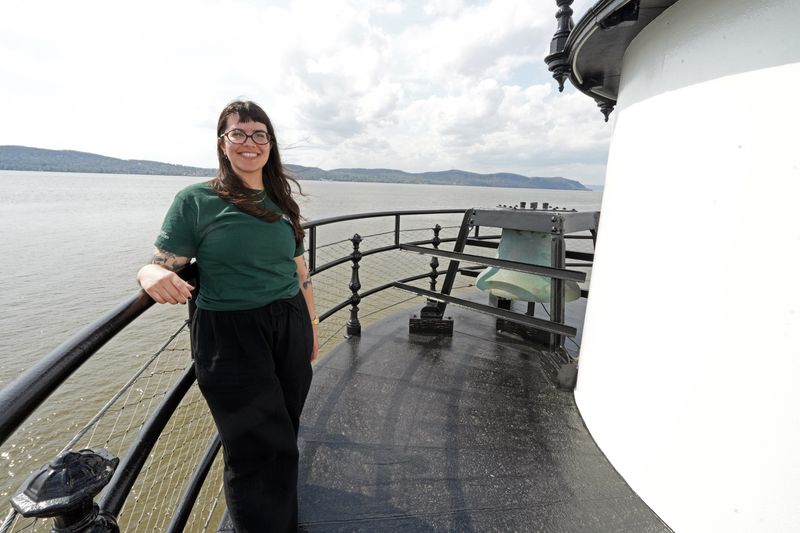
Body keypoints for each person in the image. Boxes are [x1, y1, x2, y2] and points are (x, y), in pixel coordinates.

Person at [137, 100, 318, 532]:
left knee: (285, 426)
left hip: (289, 321)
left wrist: (311, 328)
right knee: (253, 445)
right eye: (238, 133)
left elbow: (300, 271)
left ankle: (284, 516)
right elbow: (163, 262)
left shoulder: (280, 200)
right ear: (223, 143)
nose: (249, 142)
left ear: (270, 144)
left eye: (259, 134)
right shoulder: (196, 200)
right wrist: (148, 273)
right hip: (230, 332)